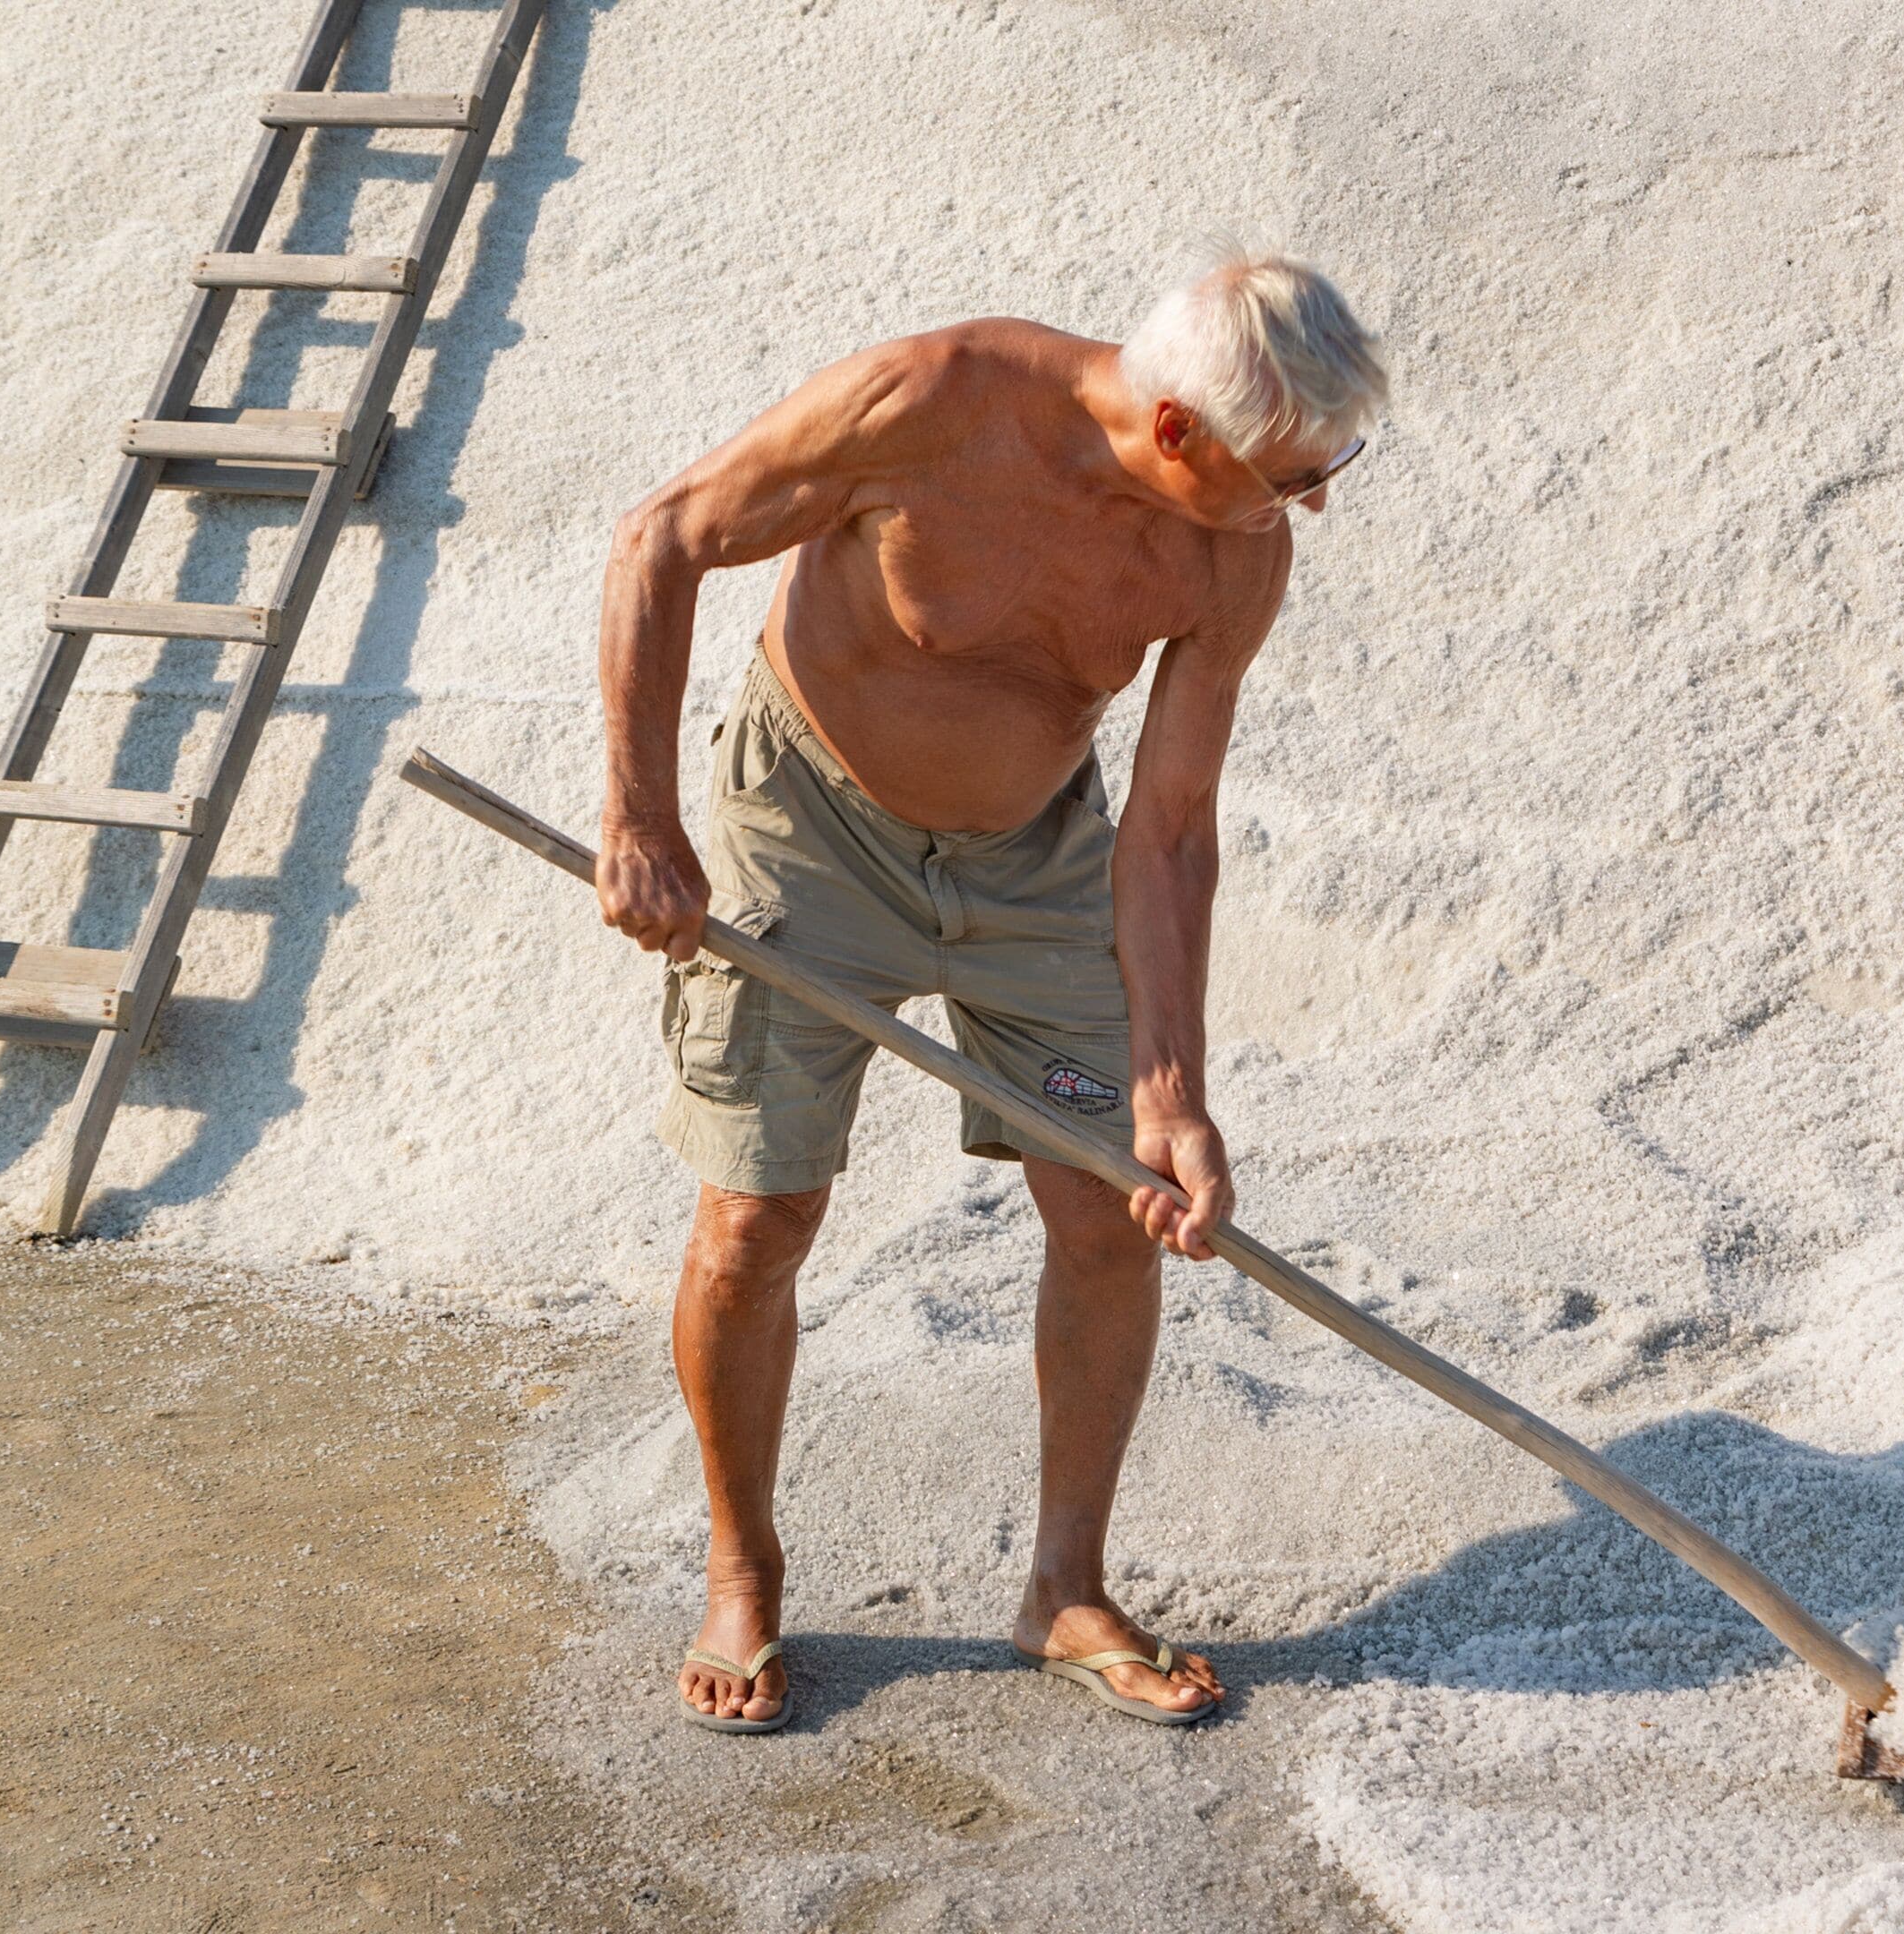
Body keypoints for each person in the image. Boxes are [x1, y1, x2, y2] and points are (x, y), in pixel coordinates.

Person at [591, 254, 1388, 1733]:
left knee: (1111, 1209)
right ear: (1175, 435)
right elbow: (666, 536)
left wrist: (1173, 1095)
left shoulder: (1236, 549)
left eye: (1332, 465)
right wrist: (642, 817)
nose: (1316, 501)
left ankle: (1065, 1589)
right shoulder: (934, 402)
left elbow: (1167, 830)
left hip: (1036, 863)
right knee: (759, 1214)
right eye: (1295, 470)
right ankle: (744, 1567)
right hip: (808, 833)